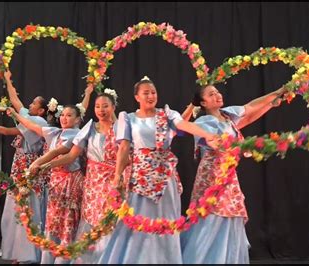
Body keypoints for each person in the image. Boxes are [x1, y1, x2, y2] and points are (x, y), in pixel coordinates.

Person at [97, 76, 219, 264]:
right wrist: (117, 177)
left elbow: (183, 125)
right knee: (138, 219)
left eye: (153, 92)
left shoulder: (167, 114)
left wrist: (208, 134)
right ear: (137, 97)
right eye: (146, 93)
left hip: (165, 175)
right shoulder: (127, 118)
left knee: (167, 218)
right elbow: (123, 149)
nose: (151, 96)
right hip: (139, 177)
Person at [180, 84, 286, 264]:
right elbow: (214, 143)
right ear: (203, 102)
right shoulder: (203, 123)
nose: (217, 95)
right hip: (212, 176)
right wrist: (243, 146)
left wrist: (276, 94)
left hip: (229, 175)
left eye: (217, 92)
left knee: (231, 214)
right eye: (211, 94)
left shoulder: (228, 116)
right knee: (212, 215)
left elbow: (250, 109)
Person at [42, 92, 127, 263]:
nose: (101, 110)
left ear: (113, 108)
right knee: (91, 223)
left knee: (110, 222)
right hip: (93, 184)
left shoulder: (122, 127)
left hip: (114, 182)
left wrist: (121, 178)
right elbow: (70, 155)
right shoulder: (90, 127)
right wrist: (46, 165)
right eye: (97, 106)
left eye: (105, 106)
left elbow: (127, 156)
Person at [0, 70, 49, 264]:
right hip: (19, 168)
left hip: (29, 171)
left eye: (35, 103)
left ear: (42, 110)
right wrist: (8, 80)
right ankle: (17, 252)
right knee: (14, 211)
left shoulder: (38, 122)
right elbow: (15, 100)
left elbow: (5, 130)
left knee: (27, 211)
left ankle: (28, 253)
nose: (30, 104)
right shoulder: (30, 117)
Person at [8, 103, 84, 264]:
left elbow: (61, 154)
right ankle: (49, 259)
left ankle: (65, 260)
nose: (64, 118)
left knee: (67, 222)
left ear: (78, 119)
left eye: (69, 115)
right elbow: (31, 126)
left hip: (70, 182)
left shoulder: (78, 134)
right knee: (52, 222)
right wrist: (15, 115)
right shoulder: (55, 132)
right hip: (55, 181)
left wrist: (39, 165)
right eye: (62, 114)